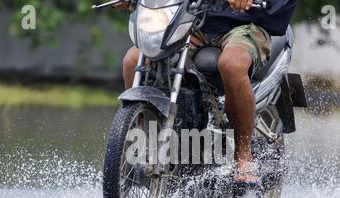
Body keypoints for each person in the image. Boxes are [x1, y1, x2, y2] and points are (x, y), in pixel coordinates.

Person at [118, 0, 298, 186]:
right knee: (133, 62)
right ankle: (142, 145)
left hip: (244, 26)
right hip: (192, 21)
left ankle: (243, 155)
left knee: (232, 64)